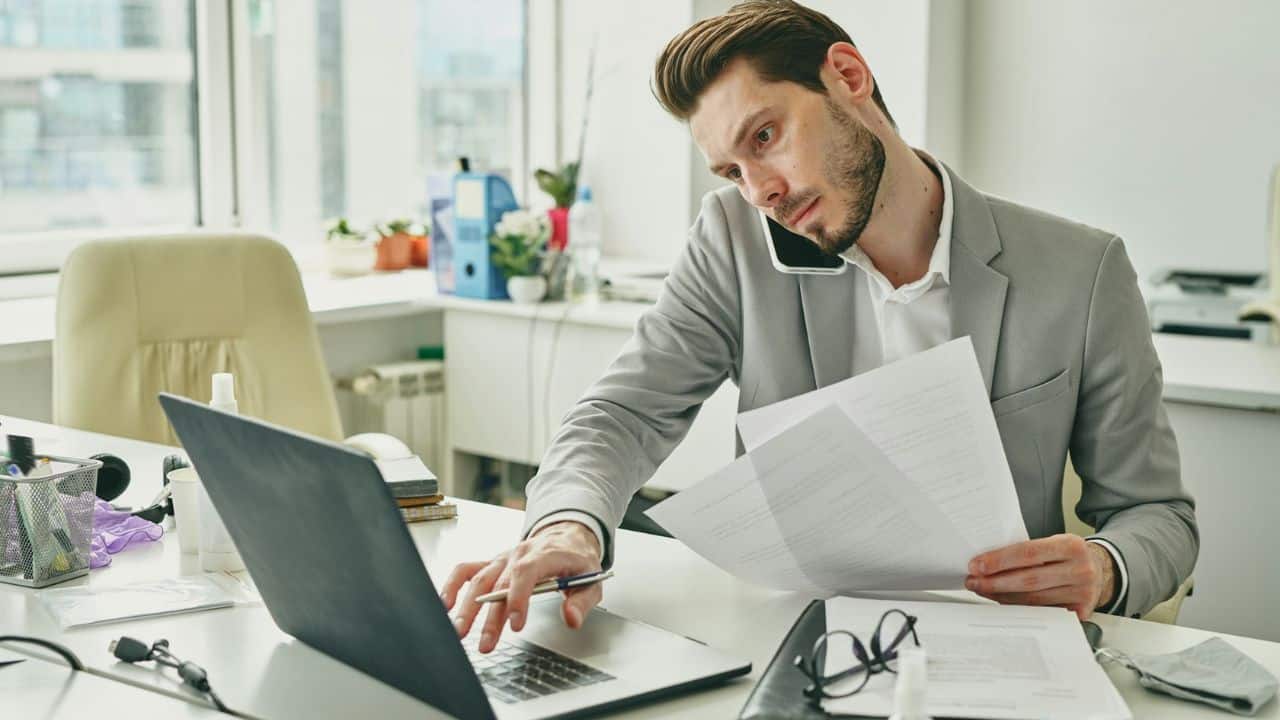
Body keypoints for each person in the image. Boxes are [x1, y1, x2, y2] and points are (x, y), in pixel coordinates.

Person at [442, 0, 1198, 654]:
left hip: (1000, 647)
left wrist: (1104, 565)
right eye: (733, 171)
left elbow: (1155, 514)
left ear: (848, 76)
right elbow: (622, 412)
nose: (761, 190)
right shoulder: (735, 243)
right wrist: (567, 527)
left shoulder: (1081, 270)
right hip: (796, 641)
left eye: (765, 137)